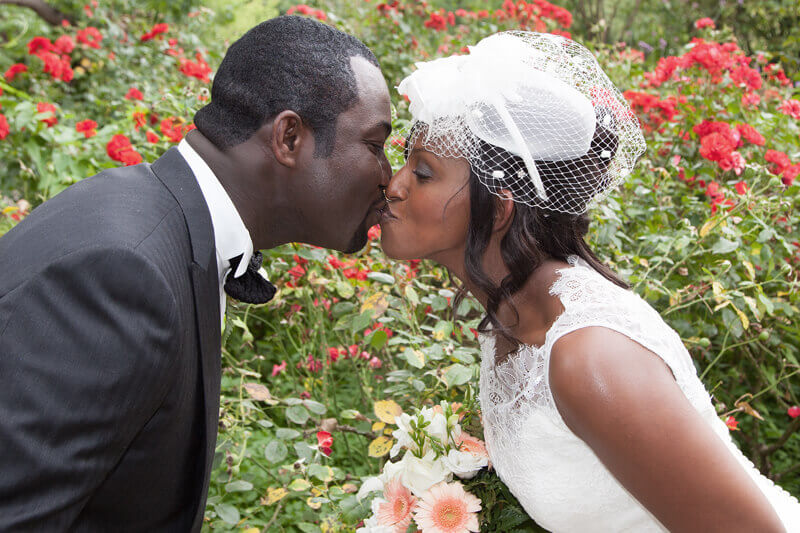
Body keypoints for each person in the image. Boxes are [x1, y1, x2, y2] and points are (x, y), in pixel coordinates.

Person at [379, 31, 799, 532]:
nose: (394, 184)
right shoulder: (515, 313)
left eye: (422, 171)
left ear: (500, 207)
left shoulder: (589, 356)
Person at [0, 15, 391, 531]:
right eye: (375, 144)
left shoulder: (159, 220)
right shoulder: (124, 276)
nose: (389, 176)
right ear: (290, 138)